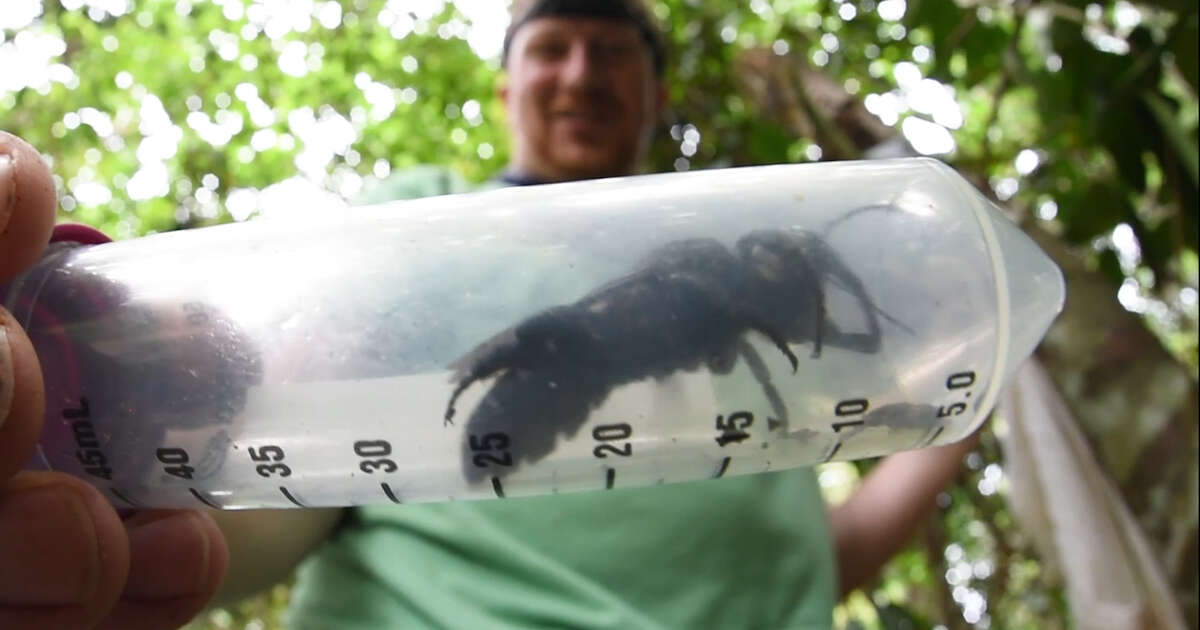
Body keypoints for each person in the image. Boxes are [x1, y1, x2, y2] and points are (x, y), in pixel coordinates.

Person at [0, 1, 978, 628]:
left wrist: (963, 398)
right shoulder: (421, 212)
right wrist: (124, 512)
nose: (582, 74)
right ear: (508, 88)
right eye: (553, 48)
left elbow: (814, 561)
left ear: (657, 95)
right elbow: (304, 461)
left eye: (613, 52)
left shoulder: (748, 268)